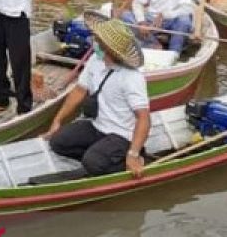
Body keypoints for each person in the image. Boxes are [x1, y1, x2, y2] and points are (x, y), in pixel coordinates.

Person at [44, 11, 149, 178]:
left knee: (93, 163)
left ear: (109, 49)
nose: (94, 43)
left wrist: (133, 154)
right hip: (97, 126)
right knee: (58, 142)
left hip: (121, 135)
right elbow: (79, 90)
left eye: (98, 41)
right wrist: (57, 120)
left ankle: (120, 158)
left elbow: (143, 118)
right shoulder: (95, 60)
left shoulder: (132, 77)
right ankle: (101, 155)